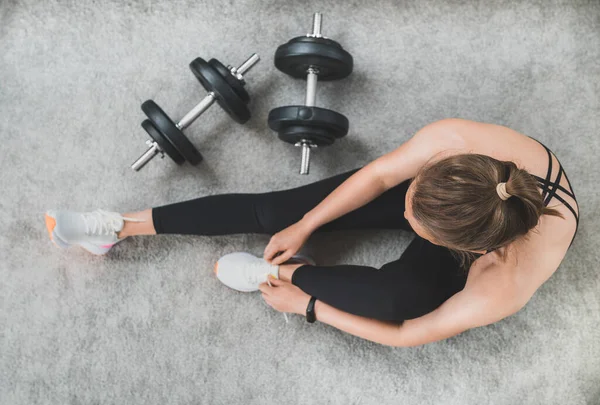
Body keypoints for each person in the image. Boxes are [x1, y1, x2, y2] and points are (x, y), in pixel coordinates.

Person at [44, 118, 579, 347]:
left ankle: (283, 273)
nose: (403, 213)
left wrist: (305, 305)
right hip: (468, 202)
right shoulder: (454, 141)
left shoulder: (502, 282)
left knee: (400, 299)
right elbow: (380, 177)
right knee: (275, 212)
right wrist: (306, 222)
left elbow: (407, 334)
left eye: (415, 222)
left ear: (465, 250)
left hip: (478, 235)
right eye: (412, 203)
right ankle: (119, 225)